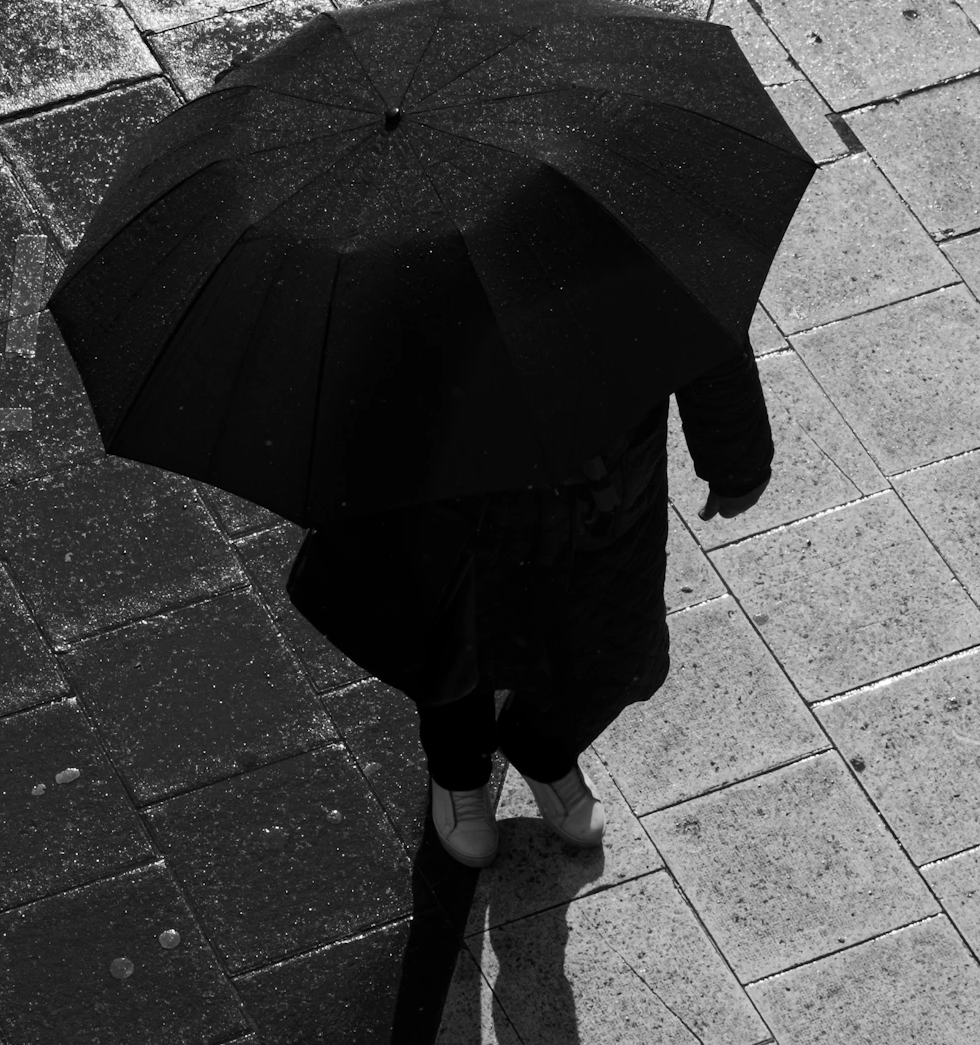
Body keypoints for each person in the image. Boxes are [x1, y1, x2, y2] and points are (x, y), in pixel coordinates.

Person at [285, 339, 773, 867]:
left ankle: (542, 746)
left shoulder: (640, 257)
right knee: (457, 645)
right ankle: (459, 771)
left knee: (613, 646)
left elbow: (701, 321)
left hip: (608, 490)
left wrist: (735, 458)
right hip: (460, 489)